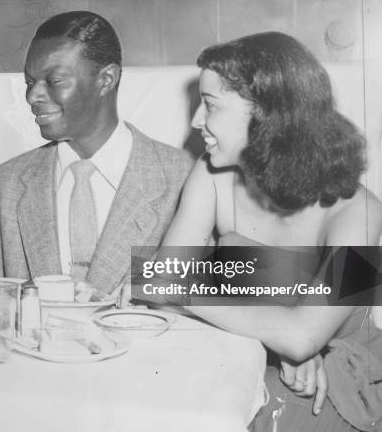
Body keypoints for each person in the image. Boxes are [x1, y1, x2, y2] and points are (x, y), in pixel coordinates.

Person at [159, 32, 382, 431]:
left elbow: (300, 339)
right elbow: (158, 287)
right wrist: (279, 337)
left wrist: (298, 342)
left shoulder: (363, 214)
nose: (196, 122)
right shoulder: (211, 176)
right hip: (239, 354)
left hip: (336, 387)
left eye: (209, 105)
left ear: (267, 114)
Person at [0, 11, 192, 298]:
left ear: (106, 79)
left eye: (54, 81)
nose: (32, 97)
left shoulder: (184, 178)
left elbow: (238, 291)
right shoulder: (2, 186)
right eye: (30, 82)